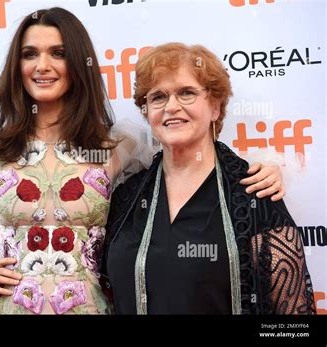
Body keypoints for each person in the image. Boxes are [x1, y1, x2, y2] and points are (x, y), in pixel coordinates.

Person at [0, 9, 285, 315]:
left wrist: (263, 169)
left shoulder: (117, 144)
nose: (42, 65)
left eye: (58, 53)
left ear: (78, 62)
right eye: (30, 54)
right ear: (17, 65)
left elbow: (182, 166)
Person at [101, 42, 316, 314]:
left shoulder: (252, 194)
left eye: (186, 93)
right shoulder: (127, 199)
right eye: (158, 97)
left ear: (215, 107)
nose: (171, 106)